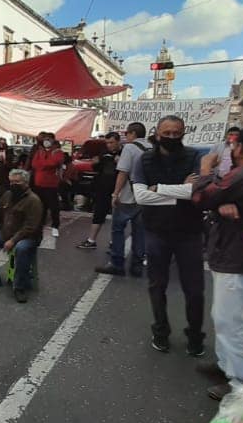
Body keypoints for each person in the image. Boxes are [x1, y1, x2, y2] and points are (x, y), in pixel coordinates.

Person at [190, 124, 243, 398]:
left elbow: (203, 196)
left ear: (241, 148)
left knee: (233, 323)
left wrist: (204, 171)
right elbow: (220, 197)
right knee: (224, 317)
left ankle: (242, 382)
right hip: (235, 253)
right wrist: (220, 201)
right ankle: (226, 365)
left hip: (237, 256)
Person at [130, 116, 205, 357]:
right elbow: (140, 196)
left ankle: (195, 336)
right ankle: (160, 332)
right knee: (156, 285)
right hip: (156, 231)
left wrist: (159, 189)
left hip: (189, 232)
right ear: (157, 132)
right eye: (167, 133)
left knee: (194, 290)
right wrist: (181, 191)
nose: (172, 137)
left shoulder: (195, 156)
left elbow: (196, 190)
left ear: (183, 133)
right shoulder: (145, 159)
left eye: (176, 133)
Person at [0, 169, 43, 303]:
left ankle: (19, 286)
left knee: (21, 249)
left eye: (17, 182)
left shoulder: (33, 200)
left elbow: (31, 227)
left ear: (26, 183)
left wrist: (13, 240)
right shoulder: (7, 195)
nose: (13, 184)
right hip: (7, 235)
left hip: (27, 238)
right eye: (11, 181)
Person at [96, 122, 151, 276]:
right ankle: (137, 266)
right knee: (140, 232)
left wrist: (115, 194)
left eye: (126, 134)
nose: (125, 137)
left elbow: (123, 172)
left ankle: (117, 264)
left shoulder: (130, 148)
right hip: (146, 196)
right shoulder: (153, 147)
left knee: (118, 230)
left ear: (132, 133)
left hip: (128, 197)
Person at [78, 132, 121, 249]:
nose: (109, 145)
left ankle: (115, 242)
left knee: (117, 217)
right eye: (107, 143)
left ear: (118, 141)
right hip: (103, 188)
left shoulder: (124, 153)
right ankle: (91, 240)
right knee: (99, 213)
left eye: (111, 142)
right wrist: (95, 163)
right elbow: (97, 167)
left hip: (118, 188)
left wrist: (120, 162)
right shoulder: (104, 152)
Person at [30, 132, 64, 236]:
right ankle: (40, 224)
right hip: (38, 183)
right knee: (40, 205)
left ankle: (55, 226)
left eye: (49, 139)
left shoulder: (57, 152)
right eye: (45, 139)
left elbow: (54, 163)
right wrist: (44, 164)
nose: (46, 141)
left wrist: (43, 164)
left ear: (53, 141)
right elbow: (34, 164)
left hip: (51, 184)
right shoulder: (39, 152)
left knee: (53, 206)